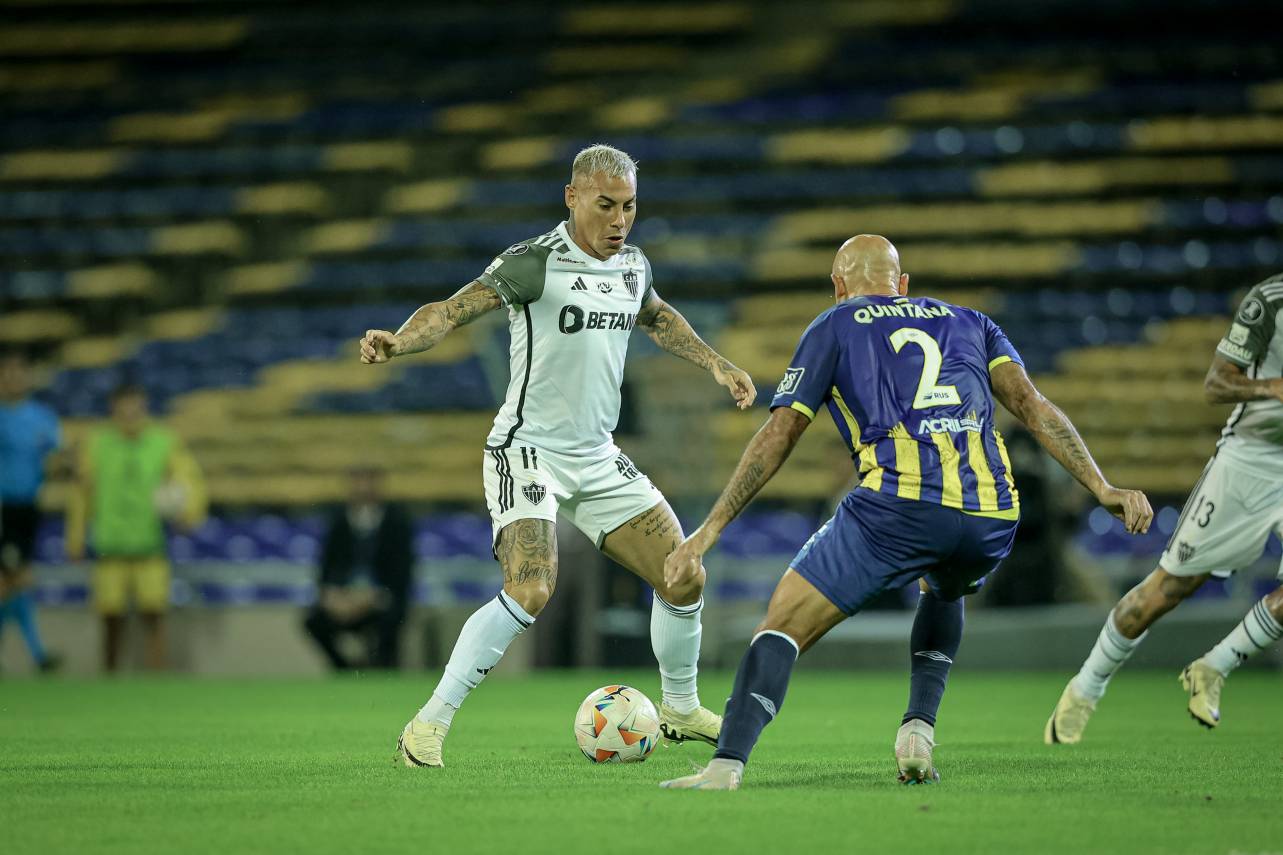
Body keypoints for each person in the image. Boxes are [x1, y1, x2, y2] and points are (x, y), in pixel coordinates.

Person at [657, 235, 1152, 791]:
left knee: (783, 624)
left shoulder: (835, 323)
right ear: (903, 285)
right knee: (943, 586)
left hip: (902, 505)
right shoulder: (973, 321)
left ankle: (725, 766)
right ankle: (918, 730)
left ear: (838, 286)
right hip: (992, 512)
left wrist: (710, 529)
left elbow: (781, 432)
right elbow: (1034, 408)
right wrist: (1102, 486)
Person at [359, 143, 757, 768]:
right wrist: (399, 343)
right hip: (527, 450)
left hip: (597, 455)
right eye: (606, 206)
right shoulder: (534, 264)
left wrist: (716, 362)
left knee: (684, 572)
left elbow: (656, 316)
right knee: (533, 588)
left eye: (629, 207)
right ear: (573, 198)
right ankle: (426, 727)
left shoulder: (634, 266)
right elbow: (450, 310)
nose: (620, 221)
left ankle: (679, 708)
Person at [1046, 273, 1283, 742]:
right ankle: (1086, 687)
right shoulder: (1271, 301)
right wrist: (1272, 387)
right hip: (1252, 457)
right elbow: (1217, 384)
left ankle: (1213, 666)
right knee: (1167, 590)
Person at [66, 383, 206, 672]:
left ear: (144, 408)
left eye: (135, 407)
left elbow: (188, 479)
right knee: (110, 615)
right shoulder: (97, 443)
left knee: (154, 612)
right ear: (113, 408)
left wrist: (190, 513)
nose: (130, 413)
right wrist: (76, 537)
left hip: (149, 542)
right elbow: (81, 493)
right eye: (123, 407)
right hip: (110, 543)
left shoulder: (163, 440)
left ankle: (156, 673)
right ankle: (109, 673)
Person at [303, 468, 413, 670]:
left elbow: (402, 571)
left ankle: (382, 668)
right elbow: (326, 566)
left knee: (390, 620)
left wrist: (375, 597)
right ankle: (343, 668)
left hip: (381, 599)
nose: (363, 487)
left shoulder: (397, 521)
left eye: (368, 481)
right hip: (345, 597)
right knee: (313, 621)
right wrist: (333, 596)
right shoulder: (338, 521)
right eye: (358, 481)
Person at [0, 351, 62, 672]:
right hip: (2, 507)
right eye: (7, 372)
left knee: (17, 579)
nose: (13, 379)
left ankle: (37, 655)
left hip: (27, 508)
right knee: (12, 579)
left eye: (19, 372)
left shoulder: (42, 417)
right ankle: (38, 654)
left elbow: (58, 458)